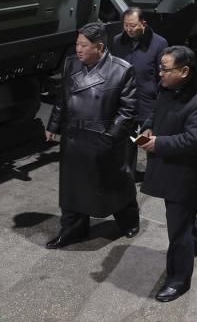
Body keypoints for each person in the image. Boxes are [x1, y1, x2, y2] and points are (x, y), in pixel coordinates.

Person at [44, 22, 140, 249]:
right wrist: (54, 125)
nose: (78, 49)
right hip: (74, 136)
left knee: (114, 184)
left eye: (84, 46)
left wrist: (110, 138)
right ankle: (73, 227)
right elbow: (63, 98)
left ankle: (128, 220)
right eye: (77, 44)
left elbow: (128, 111)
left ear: (99, 47)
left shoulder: (122, 70)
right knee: (72, 187)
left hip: (104, 138)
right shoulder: (70, 63)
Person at [137, 46, 197, 303]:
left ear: (185, 72)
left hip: (186, 176)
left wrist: (158, 144)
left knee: (178, 229)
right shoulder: (170, 88)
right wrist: (149, 126)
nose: (160, 73)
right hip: (171, 169)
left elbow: (195, 140)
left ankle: (178, 280)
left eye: (165, 69)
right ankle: (196, 244)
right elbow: (157, 109)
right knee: (184, 217)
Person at [110, 8, 168, 180]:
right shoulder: (117, 41)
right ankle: (129, 175)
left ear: (143, 24)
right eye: (126, 25)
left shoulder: (159, 44)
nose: (128, 29)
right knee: (128, 142)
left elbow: (162, 77)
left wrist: (159, 104)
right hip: (125, 103)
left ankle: (153, 177)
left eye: (133, 26)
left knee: (146, 141)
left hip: (147, 103)